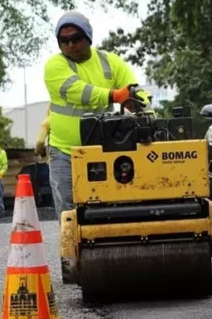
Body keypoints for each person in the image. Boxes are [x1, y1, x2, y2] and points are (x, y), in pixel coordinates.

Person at [43, 11, 154, 222]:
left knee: (106, 207)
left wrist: (148, 119)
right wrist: (114, 95)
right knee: (69, 211)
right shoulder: (55, 66)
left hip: (104, 152)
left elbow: (135, 93)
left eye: (76, 39)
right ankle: (72, 255)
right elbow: (79, 92)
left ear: (88, 37)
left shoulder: (110, 62)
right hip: (65, 153)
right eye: (63, 41)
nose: (70, 45)